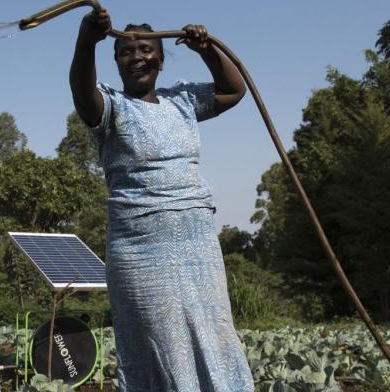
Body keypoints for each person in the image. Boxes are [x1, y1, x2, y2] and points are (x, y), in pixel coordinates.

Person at [69, 7, 254, 392]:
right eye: (126, 51)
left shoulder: (182, 101)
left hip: (198, 243)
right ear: (116, 61)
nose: (138, 56)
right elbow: (82, 93)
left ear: (162, 57)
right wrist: (86, 42)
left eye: (147, 49)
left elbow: (234, 90)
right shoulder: (112, 108)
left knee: (213, 331)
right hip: (141, 251)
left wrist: (207, 50)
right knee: (161, 342)